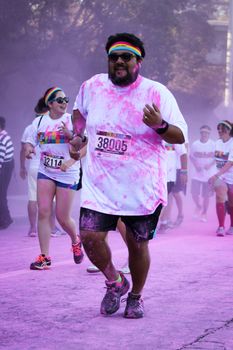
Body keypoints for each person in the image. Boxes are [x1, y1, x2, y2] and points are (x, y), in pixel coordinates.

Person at [71, 32, 187, 318]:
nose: (119, 62)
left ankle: (136, 296)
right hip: (100, 185)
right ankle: (115, 282)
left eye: (126, 57)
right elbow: (78, 111)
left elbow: (179, 135)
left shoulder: (156, 93)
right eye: (113, 57)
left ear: (139, 61)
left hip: (141, 188)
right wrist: (77, 135)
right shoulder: (92, 86)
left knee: (137, 245)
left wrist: (160, 125)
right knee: (89, 237)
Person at [24, 87, 84, 269]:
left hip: (67, 173)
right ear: (49, 104)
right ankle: (44, 257)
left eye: (66, 99)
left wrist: (71, 145)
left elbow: (83, 146)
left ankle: (75, 240)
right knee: (43, 211)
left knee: (62, 218)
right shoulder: (39, 122)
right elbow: (29, 140)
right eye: (59, 100)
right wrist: (28, 148)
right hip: (46, 171)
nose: (64, 103)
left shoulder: (73, 121)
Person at [20, 119, 65, 238]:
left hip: (33, 166)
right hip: (47, 167)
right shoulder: (52, 127)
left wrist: (22, 167)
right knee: (51, 200)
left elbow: (23, 149)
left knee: (32, 198)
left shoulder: (28, 128)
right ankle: (52, 227)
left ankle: (33, 229)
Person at [208, 120, 233, 237]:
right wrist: (212, 174)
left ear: (228, 131)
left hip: (231, 176)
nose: (219, 131)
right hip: (220, 176)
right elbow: (214, 159)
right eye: (218, 129)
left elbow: (229, 163)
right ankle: (221, 226)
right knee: (220, 195)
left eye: (222, 129)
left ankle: (232, 226)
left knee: (232, 203)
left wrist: (216, 175)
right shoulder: (216, 143)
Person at [158, 142, 187, 232]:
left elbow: (183, 153)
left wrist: (184, 172)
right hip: (155, 173)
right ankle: (159, 222)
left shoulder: (175, 133)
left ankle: (164, 222)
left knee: (167, 197)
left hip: (169, 175)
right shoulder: (154, 133)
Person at [190, 125, 215, 222]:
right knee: (194, 194)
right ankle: (198, 206)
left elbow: (217, 158)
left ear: (209, 134)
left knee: (206, 195)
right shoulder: (195, 144)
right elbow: (191, 156)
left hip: (209, 175)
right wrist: (196, 165)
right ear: (200, 133)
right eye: (203, 132)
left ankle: (204, 213)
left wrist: (210, 164)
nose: (205, 134)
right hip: (196, 174)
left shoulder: (213, 145)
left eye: (207, 133)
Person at [0, 116, 14, 229]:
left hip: (4, 168)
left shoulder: (2, 139)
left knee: (1, 194)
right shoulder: (3, 136)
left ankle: (6, 219)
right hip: (6, 166)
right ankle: (5, 218)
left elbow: (0, 157)